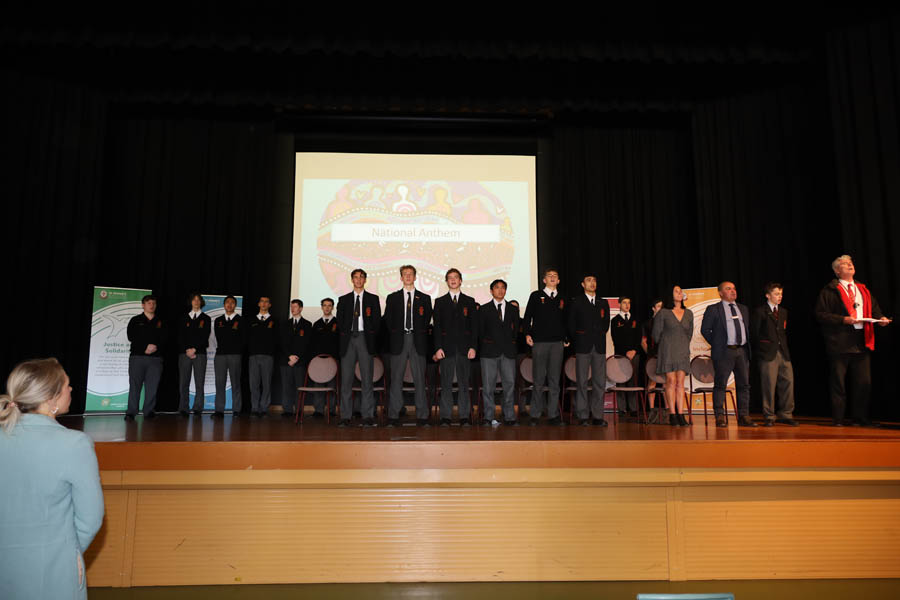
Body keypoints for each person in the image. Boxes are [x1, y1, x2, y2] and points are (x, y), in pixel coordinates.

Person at [0, 358, 105, 599]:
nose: (71, 389)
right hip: (52, 569)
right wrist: (69, 554)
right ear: (51, 399)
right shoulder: (74, 444)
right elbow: (91, 518)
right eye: (66, 385)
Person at [815, 255, 891, 427]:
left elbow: (874, 309)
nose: (850, 265)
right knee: (838, 383)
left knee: (863, 382)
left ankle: (860, 418)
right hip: (839, 342)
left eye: (850, 263)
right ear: (837, 271)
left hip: (861, 341)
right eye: (845, 264)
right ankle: (838, 419)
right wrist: (843, 319)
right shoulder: (829, 291)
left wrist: (881, 318)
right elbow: (820, 314)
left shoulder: (862, 289)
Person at [700, 281, 757, 428]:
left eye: (734, 288)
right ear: (720, 293)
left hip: (742, 351)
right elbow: (705, 330)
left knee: (744, 385)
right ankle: (719, 416)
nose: (733, 291)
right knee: (720, 385)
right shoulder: (714, 309)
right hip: (724, 352)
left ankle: (743, 416)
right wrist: (718, 344)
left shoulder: (743, 309)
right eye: (728, 288)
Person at [385, 265, 433, 427]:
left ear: (415, 277)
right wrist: (397, 332)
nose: (407, 276)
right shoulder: (392, 298)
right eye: (405, 274)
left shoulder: (424, 298)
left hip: (417, 341)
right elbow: (388, 319)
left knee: (420, 379)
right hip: (399, 340)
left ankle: (422, 416)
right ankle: (393, 415)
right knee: (396, 379)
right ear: (401, 277)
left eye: (410, 274)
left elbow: (426, 319)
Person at [522, 268, 568, 426]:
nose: (552, 278)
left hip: (557, 343)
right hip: (539, 342)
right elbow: (527, 317)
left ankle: (553, 415)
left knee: (554, 380)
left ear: (559, 280)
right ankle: (535, 414)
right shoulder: (536, 295)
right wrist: (527, 334)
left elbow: (567, 320)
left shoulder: (563, 298)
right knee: (539, 379)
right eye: (549, 276)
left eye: (555, 276)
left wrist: (566, 337)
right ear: (544, 280)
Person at [432, 268, 478, 426]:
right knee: (446, 384)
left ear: (460, 280)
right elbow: (437, 328)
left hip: (465, 349)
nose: (453, 280)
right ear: (446, 281)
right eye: (450, 278)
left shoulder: (469, 301)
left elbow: (474, 327)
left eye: (456, 277)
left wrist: (473, 347)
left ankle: (464, 416)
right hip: (446, 349)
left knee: (464, 384)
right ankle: (446, 417)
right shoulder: (440, 302)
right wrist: (438, 348)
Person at [336, 268, 382, 427]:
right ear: (352, 280)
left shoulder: (373, 299)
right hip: (348, 340)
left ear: (365, 280)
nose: (358, 280)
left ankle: (367, 415)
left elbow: (377, 321)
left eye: (361, 277)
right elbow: (340, 321)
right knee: (346, 380)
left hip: (364, 339)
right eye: (355, 277)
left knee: (367, 379)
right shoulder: (344, 299)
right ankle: (345, 416)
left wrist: (369, 334)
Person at [750, 283, 798, 427]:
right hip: (767, 354)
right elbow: (754, 333)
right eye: (776, 294)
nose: (780, 296)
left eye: (781, 294)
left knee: (788, 383)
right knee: (768, 385)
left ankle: (786, 414)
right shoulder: (760, 311)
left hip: (783, 352)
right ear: (768, 295)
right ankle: (769, 415)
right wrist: (762, 350)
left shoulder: (783, 312)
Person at [567, 274, 610, 426]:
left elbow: (606, 324)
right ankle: (583, 415)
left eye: (594, 281)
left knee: (599, 382)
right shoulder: (576, 302)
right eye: (588, 281)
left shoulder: (603, 302)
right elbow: (571, 324)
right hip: (582, 346)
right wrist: (578, 339)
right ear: (582, 284)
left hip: (599, 346)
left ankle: (598, 416)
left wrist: (599, 333)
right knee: (582, 382)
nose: (592, 283)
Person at [477, 279, 520, 425]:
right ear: (491, 291)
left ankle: (509, 416)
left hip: (508, 352)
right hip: (489, 352)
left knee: (509, 385)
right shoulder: (484, 309)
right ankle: (488, 416)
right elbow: (480, 331)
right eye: (497, 287)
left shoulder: (513, 309)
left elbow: (515, 331)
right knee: (488, 386)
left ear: (505, 290)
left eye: (503, 288)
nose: (500, 290)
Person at [652, 286, 693, 427]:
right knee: (671, 381)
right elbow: (656, 335)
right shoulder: (663, 313)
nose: (680, 293)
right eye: (676, 291)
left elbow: (689, 334)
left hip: (682, 351)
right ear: (670, 295)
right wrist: (667, 343)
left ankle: (681, 414)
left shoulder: (689, 313)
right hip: (668, 350)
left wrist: (682, 344)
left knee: (680, 382)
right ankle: (672, 414)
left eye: (681, 291)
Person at [126, 294, 166, 421]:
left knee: (152, 386)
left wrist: (155, 347)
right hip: (137, 358)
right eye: (149, 303)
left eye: (153, 303)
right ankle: (131, 412)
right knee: (135, 386)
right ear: (143, 305)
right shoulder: (135, 320)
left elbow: (165, 338)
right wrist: (145, 347)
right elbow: (131, 336)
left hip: (155, 359)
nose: (151, 305)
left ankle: (148, 411)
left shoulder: (161, 321)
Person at [177, 292, 211, 417]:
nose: (196, 302)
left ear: (201, 302)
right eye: (194, 299)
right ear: (190, 302)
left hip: (200, 354)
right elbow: (180, 337)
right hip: (184, 354)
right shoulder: (183, 318)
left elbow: (205, 336)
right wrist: (187, 350)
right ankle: (183, 408)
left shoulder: (206, 318)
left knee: (199, 382)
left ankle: (198, 408)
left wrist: (194, 349)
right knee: (183, 382)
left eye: (198, 300)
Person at [610, 296, 642, 419]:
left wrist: (634, 350)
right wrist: (625, 352)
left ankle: (633, 408)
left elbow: (638, 337)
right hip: (621, 355)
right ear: (619, 304)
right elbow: (615, 339)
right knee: (621, 381)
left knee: (633, 381)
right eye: (624, 303)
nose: (627, 305)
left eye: (629, 303)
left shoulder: (635, 320)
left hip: (634, 355)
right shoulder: (615, 320)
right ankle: (622, 408)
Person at [280, 299, 312, 419]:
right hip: (286, 361)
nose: (292, 309)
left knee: (299, 387)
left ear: (301, 308)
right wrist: (290, 356)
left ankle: (299, 409)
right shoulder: (285, 324)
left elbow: (307, 344)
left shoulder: (307, 324)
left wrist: (296, 357)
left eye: (295, 307)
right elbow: (282, 343)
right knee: (286, 387)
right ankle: (287, 410)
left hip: (300, 361)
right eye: (291, 306)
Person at [247, 296, 278, 417]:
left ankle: (264, 407)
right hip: (254, 356)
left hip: (268, 356)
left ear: (270, 305)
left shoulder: (274, 321)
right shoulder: (251, 320)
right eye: (262, 301)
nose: (264, 304)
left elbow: (277, 339)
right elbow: (247, 338)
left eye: (266, 302)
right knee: (253, 384)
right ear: (258, 304)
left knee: (266, 383)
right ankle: (255, 407)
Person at [213, 295, 243, 417]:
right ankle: (219, 410)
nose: (229, 305)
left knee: (236, 383)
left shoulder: (241, 320)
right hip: (220, 355)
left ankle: (236, 409)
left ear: (235, 305)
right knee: (219, 383)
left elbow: (243, 339)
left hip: (235, 355)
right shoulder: (218, 320)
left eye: (232, 303)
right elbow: (219, 337)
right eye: (227, 302)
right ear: (224, 305)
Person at [309, 297, 339, 417]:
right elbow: (312, 344)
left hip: (333, 359)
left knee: (332, 386)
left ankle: (331, 410)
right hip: (319, 361)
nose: (327, 308)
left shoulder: (338, 323)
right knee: (318, 385)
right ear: (321, 307)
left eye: (329, 305)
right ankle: (319, 410)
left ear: (332, 307)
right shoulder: (316, 324)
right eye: (325, 305)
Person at [641, 298, 664, 422]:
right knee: (652, 382)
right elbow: (643, 342)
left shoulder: (666, 322)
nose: (661, 308)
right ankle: (651, 410)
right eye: (658, 306)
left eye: (662, 306)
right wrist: (650, 354)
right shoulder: (648, 323)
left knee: (667, 383)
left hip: (665, 356)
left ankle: (668, 411)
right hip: (652, 357)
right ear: (653, 308)